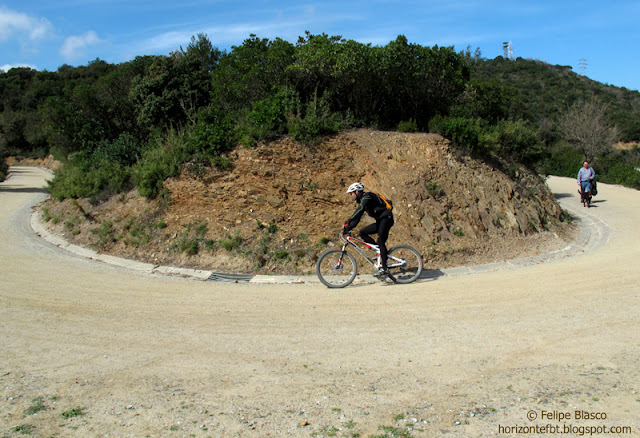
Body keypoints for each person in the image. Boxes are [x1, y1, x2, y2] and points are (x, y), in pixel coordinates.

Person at [343, 182, 394, 276]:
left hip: (387, 219)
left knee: (381, 240)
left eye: (351, 193)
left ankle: (385, 268)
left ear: (357, 192)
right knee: (362, 232)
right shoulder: (363, 201)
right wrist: (348, 228)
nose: (351, 196)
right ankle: (378, 251)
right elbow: (358, 218)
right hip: (381, 220)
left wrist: (349, 220)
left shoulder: (367, 196)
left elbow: (360, 208)